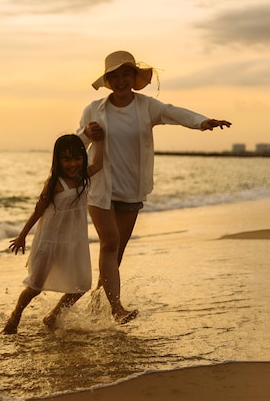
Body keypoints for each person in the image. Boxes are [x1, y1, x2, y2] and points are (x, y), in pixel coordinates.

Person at [77, 51, 232, 323]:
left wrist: (203, 122)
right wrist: (85, 134)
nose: (121, 80)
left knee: (116, 251)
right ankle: (116, 309)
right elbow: (77, 146)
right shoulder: (93, 109)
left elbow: (175, 113)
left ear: (134, 78)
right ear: (108, 80)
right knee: (110, 243)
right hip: (100, 186)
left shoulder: (146, 107)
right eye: (115, 76)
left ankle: (95, 305)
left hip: (131, 188)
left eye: (126, 74)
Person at [3, 134, 103, 334]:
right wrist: (23, 236)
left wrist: (99, 138)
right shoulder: (54, 184)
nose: (72, 164)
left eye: (77, 158)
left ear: (83, 158)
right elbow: (38, 210)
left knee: (81, 286)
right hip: (49, 242)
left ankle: (53, 316)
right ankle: (15, 315)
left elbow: (99, 163)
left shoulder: (83, 178)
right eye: (66, 159)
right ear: (57, 160)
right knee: (35, 286)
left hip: (74, 243)